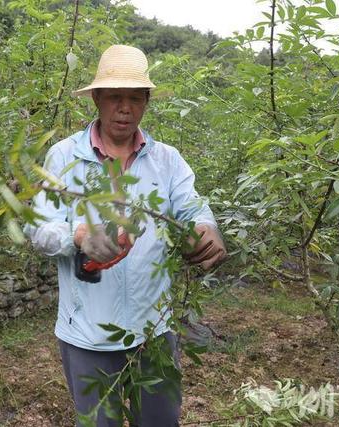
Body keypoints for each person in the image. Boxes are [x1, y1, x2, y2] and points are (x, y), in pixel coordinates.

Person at [25, 45, 226, 426]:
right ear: (97, 99)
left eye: (135, 98)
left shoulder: (167, 160)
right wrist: (78, 235)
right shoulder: (63, 157)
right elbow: (40, 230)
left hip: (155, 330)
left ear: (146, 103)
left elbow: (193, 208)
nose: (124, 108)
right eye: (115, 97)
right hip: (87, 335)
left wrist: (207, 230)